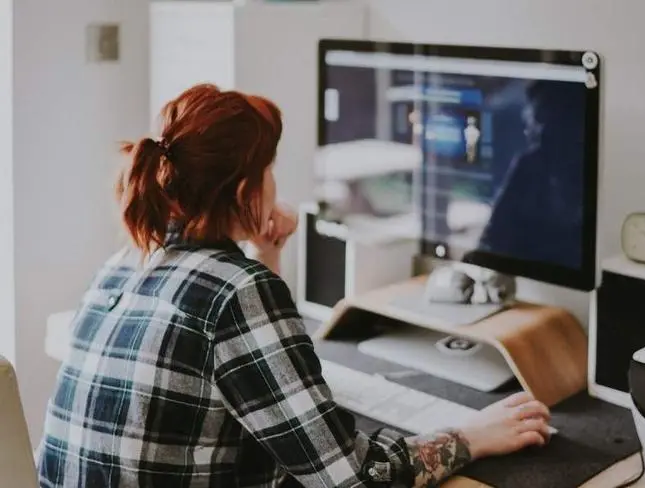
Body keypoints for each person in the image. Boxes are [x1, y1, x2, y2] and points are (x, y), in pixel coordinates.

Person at [36, 83, 553, 488]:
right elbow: (350, 477)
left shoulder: (126, 261)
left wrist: (267, 254)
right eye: (271, 170)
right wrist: (473, 436)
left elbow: (251, 373)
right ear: (246, 190)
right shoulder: (236, 291)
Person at [474, 80, 586, 269]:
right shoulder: (530, 167)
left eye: (543, 119)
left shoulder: (593, 175)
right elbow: (493, 240)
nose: (533, 129)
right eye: (535, 119)